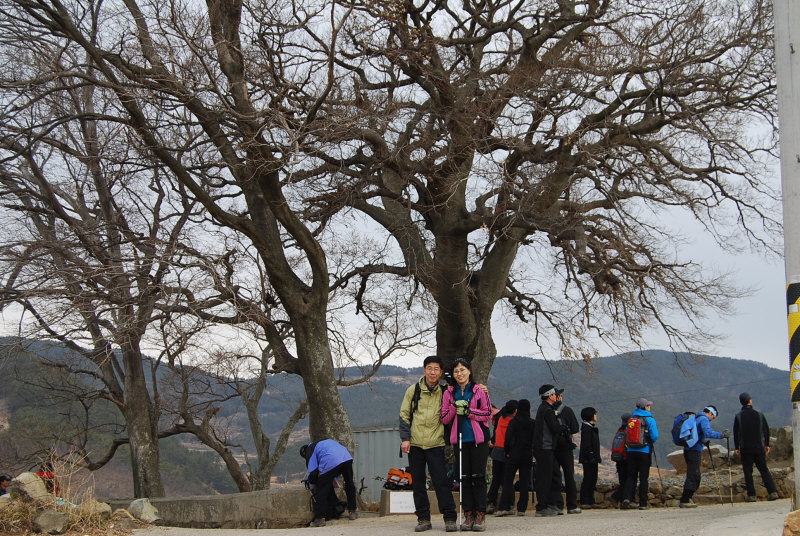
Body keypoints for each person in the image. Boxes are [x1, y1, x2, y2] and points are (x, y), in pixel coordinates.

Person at [400, 355, 458, 532]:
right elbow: (404, 414)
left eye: (436, 369)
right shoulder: (413, 390)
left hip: (436, 443)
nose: (433, 372)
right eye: (429, 368)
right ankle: (423, 519)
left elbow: (462, 390)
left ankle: (449, 518)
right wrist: (405, 439)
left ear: (441, 372)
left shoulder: (446, 390)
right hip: (415, 444)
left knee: (441, 482)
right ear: (424, 370)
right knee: (417, 483)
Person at [441, 358, 492, 531]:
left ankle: (480, 515)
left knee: (478, 477)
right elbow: (445, 417)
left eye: (462, 370)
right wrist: (455, 407)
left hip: (478, 440)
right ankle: (468, 514)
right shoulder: (449, 393)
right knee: (464, 478)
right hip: (460, 439)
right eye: (456, 371)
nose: (459, 373)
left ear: (469, 371)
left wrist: (470, 411)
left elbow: (488, 413)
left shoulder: (479, 390)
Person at [679, 405, 729, 508]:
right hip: (695, 450)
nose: (712, 419)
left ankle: (687, 498)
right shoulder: (704, 419)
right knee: (694, 475)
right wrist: (722, 435)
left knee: (693, 473)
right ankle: (685, 499)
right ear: (710, 413)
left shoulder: (696, 418)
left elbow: (696, 434)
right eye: (713, 417)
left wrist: (703, 440)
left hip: (688, 449)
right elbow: (708, 432)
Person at [300, 439, 358, 527]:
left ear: (304, 453)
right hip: (346, 457)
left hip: (331, 460)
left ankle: (319, 518)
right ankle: (352, 511)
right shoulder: (322, 443)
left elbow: (313, 473)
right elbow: (334, 470)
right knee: (349, 484)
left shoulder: (310, 449)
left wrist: (312, 485)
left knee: (321, 490)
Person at [733, 392, 779, 502]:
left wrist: (737, 447)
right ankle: (773, 492)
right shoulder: (759, 414)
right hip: (759, 447)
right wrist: (766, 444)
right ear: (750, 401)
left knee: (748, 471)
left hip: (745, 448)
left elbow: (736, 433)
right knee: (764, 469)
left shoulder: (738, 416)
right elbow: (766, 430)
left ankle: (752, 495)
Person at [496, 398, 534, 517]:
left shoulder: (514, 422)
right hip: (527, 455)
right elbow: (535, 440)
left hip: (513, 454)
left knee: (507, 481)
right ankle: (522, 508)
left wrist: (507, 451)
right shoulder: (533, 423)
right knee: (524, 482)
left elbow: (507, 438)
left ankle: (504, 506)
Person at [622, 398, 658, 510]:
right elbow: (655, 436)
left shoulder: (631, 419)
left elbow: (627, 434)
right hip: (644, 451)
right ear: (645, 407)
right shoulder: (650, 419)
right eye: (648, 405)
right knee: (643, 478)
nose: (650, 407)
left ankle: (627, 498)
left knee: (631, 476)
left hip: (631, 451)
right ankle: (643, 503)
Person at [532, 384, 563, 517]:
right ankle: (542, 506)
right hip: (545, 448)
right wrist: (563, 428)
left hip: (547, 448)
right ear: (550, 396)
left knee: (555, 475)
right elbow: (555, 428)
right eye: (555, 394)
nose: (557, 396)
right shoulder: (547, 410)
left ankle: (553, 503)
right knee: (545, 477)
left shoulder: (545, 408)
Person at [486, 400, 517, 515]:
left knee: (496, 478)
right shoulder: (512, 421)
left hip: (497, 451)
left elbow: (498, 433)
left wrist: (493, 441)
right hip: (507, 451)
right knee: (507, 479)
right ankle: (509, 504)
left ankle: (491, 502)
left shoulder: (500, 419)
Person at [553, 390, 580, 514]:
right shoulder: (567, 410)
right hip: (565, 447)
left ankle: (557, 505)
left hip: (552, 447)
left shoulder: (545, 410)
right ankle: (572, 505)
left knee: (555, 476)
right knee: (569, 476)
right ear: (558, 397)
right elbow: (575, 428)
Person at [579, 407, 600, 509]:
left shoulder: (590, 428)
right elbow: (587, 445)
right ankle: (585, 501)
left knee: (593, 479)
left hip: (592, 458)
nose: (596, 416)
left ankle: (591, 500)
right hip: (588, 459)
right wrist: (591, 455)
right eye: (595, 414)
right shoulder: (587, 429)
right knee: (588, 478)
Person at [609, 412, 632, 507]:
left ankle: (620, 500)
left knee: (623, 481)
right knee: (629, 480)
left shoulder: (619, 430)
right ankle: (616, 497)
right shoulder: (629, 430)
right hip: (626, 458)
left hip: (619, 459)